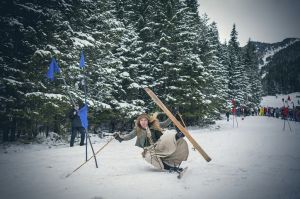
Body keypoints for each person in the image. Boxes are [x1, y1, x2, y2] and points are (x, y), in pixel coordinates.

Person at [114, 112, 189, 172]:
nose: (143, 122)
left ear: (148, 121)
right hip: (149, 149)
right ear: (139, 121)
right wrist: (121, 138)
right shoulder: (137, 129)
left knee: (168, 136)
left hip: (159, 144)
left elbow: (165, 123)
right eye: (141, 120)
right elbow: (129, 136)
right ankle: (168, 168)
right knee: (149, 157)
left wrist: (172, 115)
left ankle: (179, 135)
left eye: (145, 120)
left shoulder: (154, 125)